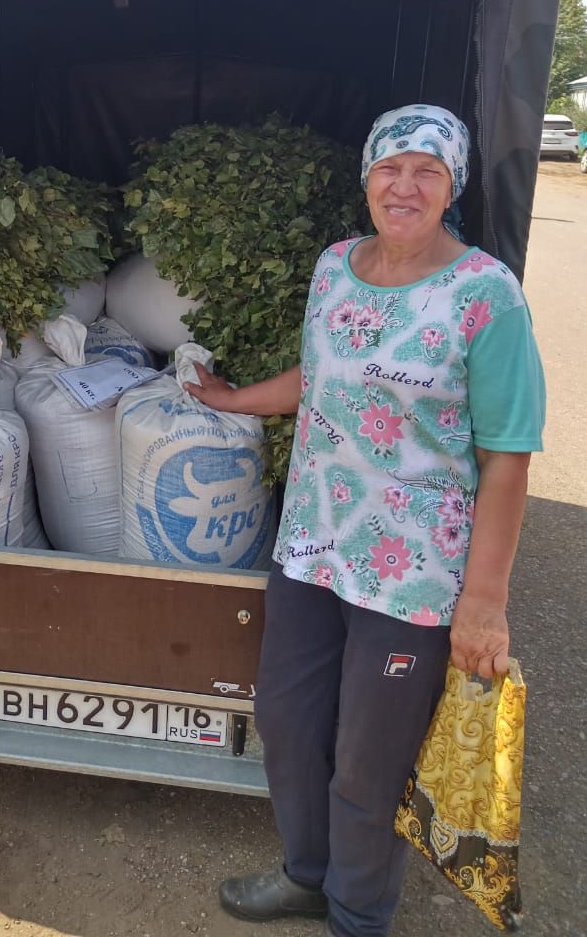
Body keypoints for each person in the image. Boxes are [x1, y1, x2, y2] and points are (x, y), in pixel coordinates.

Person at [185, 103, 545, 937]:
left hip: (413, 576)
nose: (406, 185)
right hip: (313, 547)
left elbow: (508, 458)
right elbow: (319, 379)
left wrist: (483, 602)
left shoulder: (486, 296)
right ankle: (308, 876)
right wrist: (234, 400)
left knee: (366, 761)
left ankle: (357, 914)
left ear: (451, 186)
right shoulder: (336, 267)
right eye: (391, 168)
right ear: (368, 178)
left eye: (428, 170)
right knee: (284, 720)